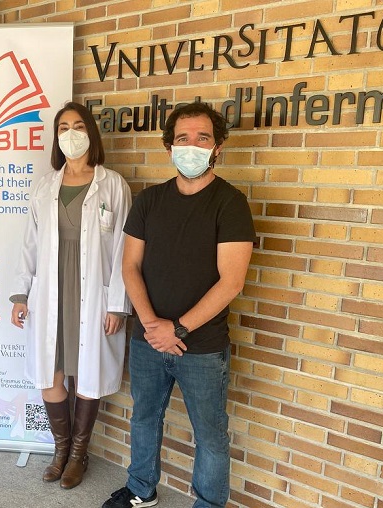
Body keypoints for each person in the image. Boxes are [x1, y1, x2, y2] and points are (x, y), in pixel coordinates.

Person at [103, 102, 256, 508]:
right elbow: (130, 266)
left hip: (201, 347)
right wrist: (153, 325)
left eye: (202, 138)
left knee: (209, 435)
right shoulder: (149, 201)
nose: (193, 146)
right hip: (149, 341)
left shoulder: (230, 203)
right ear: (169, 147)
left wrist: (179, 329)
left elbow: (232, 281)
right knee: (144, 419)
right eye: (183, 138)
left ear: (217, 147)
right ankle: (140, 492)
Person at [10, 102, 132, 489]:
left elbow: (124, 249)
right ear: (56, 137)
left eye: (78, 126)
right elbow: (30, 243)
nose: (71, 133)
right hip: (51, 289)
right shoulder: (45, 185)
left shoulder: (112, 184)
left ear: (91, 133)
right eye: (63, 127)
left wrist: (117, 304)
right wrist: (20, 294)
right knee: (52, 372)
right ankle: (60, 449)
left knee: (88, 374)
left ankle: (79, 453)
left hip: (94, 288)